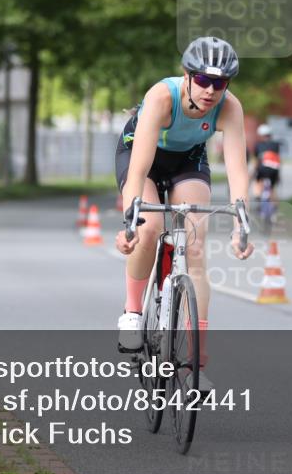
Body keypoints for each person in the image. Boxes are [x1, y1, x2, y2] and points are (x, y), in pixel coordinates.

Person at [114, 37, 254, 377]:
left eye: (220, 83)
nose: (210, 91)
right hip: (143, 156)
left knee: (195, 244)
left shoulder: (230, 107)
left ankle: (195, 359)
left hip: (188, 160)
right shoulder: (162, 97)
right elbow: (138, 171)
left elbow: (237, 171)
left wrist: (241, 226)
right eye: (203, 80)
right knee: (150, 228)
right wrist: (130, 223)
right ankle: (132, 312)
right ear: (187, 75)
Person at [251, 123, 281, 201]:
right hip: (274, 169)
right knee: (272, 188)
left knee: (258, 181)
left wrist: (254, 171)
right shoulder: (276, 145)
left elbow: (257, 160)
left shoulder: (258, 145)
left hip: (262, 169)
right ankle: (274, 204)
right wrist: (279, 174)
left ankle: (257, 195)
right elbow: (278, 159)